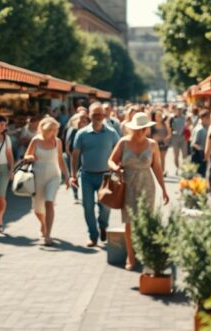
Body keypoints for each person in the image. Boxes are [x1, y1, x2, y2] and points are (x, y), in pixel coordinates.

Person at [108, 112, 169, 269]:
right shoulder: (123, 142)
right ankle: (131, 256)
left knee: (146, 220)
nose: (140, 131)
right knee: (129, 221)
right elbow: (111, 160)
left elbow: (156, 167)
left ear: (147, 129)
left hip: (147, 183)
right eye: (138, 129)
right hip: (128, 183)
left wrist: (164, 188)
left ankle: (145, 253)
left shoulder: (153, 145)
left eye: (143, 129)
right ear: (133, 129)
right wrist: (116, 168)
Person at [72, 102, 120, 246]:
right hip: (87, 176)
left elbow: (118, 152)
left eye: (100, 114)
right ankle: (93, 235)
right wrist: (73, 175)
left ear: (104, 115)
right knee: (87, 207)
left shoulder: (111, 133)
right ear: (89, 115)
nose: (98, 116)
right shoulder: (81, 133)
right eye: (94, 114)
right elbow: (75, 155)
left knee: (105, 206)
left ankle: (103, 225)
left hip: (106, 176)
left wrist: (118, 170)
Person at [24, 117, 72, 245]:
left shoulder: (57, 141)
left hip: (54, 176)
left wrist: (67, 176)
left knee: (49, 202)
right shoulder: (36, 140)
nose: (54, 132)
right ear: (44, 130)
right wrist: (31, 157)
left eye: (55, 130)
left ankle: (48, 235)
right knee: (37, 208)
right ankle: (43, 224)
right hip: (38, 176)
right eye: (51, 130)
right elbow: (26, 156)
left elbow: (61, 160)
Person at [65, 112, 89, 204]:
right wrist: (72, 156)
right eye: (81, 119)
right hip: (74, 156)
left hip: (85, 157)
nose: (83, 121)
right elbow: (68, 145)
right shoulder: (73, 130)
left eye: (85, 119)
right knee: (74, 175)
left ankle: (84, 194)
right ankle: (75, 194)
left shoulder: (88, 130)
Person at [190, 110, 211, 177]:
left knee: (203, 174)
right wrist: (202, 150)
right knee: (198, 175)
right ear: (201, 118)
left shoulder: (207, 128)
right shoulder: (199, 129)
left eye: (209, 117)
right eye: (207, 118)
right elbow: (194, 143)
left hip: (204, 155)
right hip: (198, 155)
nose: (209, 120)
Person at [169, 107, 187, 172]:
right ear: (175, 110)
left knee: (185, 154)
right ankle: (177, 168)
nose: (179, 111)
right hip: (175, 138)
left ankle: (184, 169)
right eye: (178, 110)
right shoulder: (172, 118)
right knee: (176, 154)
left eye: (180, 109)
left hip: (183, 137)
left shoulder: (185, 118)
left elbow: (189, 125)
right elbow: (169, 127)